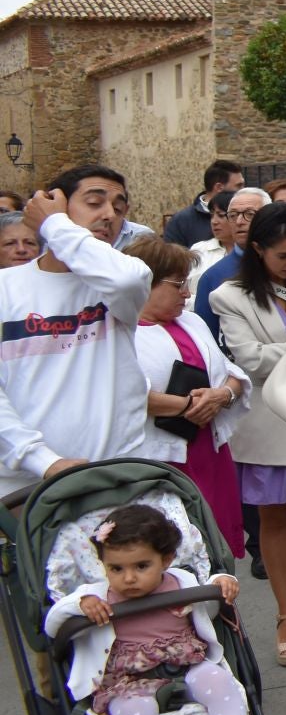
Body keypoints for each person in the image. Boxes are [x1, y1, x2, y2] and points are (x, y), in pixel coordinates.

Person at [43, 505, 273, 715]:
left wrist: (221, 582)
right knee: (133, 709)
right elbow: (53, 623)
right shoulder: (97, 595)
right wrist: (80, 604)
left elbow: (211, 610)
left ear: (165, 560)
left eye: (141, 566)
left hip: (185, 665)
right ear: (104, 566)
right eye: (116, 569)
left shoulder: (181, 582)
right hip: (129, 680)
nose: (128, 578)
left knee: (216, 678)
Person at [208, 203, 286, 669]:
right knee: (275, 521)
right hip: (271, 421)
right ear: (256, 248)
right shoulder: (231, 295)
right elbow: (250, 360)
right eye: (282, 255)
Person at [0, 166, 152, 499]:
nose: (109, 214)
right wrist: (42, 460)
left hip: (112, 479)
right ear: (56, 204)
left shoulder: (118, 284)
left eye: (119, 207)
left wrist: (54, 225)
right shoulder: (6, 289)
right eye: (95, 202)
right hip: (22, 488)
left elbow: (127, 278)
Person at [123, 236, 249, 558]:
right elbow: (126, 393)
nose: (187, 293)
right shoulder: (121, 332)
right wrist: (190, 406)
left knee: (217, 545)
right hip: (162, 460)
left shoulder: (191, 322)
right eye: (178, 284)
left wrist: (221, 395)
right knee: (176, 549)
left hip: (209, 452)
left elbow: (233, 373)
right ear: (144, 282)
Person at [192, 186, 268, 343]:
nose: (239, 222)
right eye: (232, 215)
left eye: (249, 214)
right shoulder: (212, 277)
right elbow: (208, 341)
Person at [163, 160, 244, 247]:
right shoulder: (181, 221)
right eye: (238, 186)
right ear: (219, 187)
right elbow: (171, 258)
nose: (243, 190)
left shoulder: (248, 215)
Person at [186, 191, 237, 298]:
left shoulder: (253, 251)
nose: (214, 221)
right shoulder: (198, 249)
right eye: (212, 215)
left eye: (221, 215)